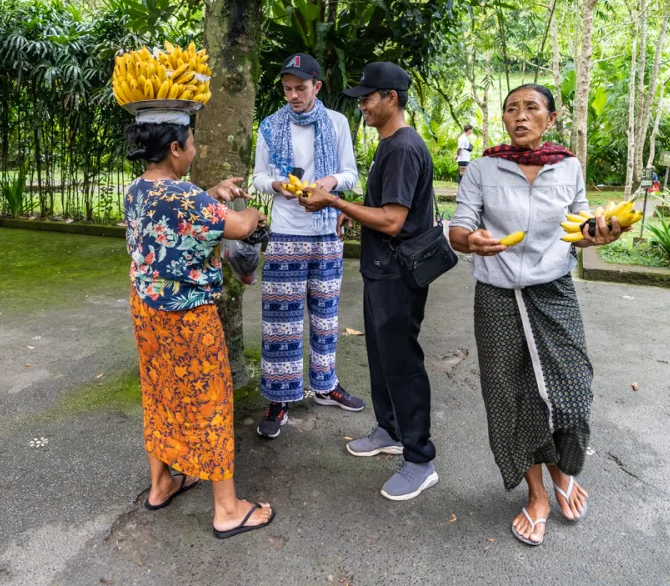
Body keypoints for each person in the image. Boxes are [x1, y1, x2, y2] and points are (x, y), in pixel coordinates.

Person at [448, 84, 627, 546]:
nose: (520, 116)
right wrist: (472, 241)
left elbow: (580, 226)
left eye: (531, 108)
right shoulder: (484, 167)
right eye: (512, 109)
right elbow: (459, 227)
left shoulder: (567, 166)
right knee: (510, 395)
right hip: (496, 295)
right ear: (504, 119)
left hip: (553, 289)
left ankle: (564, 472)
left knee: (572, 387)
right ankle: (537, 495)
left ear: (550, 118)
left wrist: (600, 233)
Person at [123, 111, 276, 539]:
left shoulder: (137, 189)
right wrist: (255, 215)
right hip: (187, 318)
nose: (194, 149)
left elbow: (173, 213)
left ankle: (161, 483)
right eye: (191, 142)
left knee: (159, 392)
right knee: (210, 400)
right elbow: (241, 225)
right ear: (175, 148)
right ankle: (227, 509)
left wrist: (211, 195)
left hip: (147, 312)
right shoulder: (190, 200)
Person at [300, 62, 440, 501]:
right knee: (381, 357)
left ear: (390, 99)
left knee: (402, 363)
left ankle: (420, 460)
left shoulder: (401, 148)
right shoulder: (389, 144)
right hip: (381, 271)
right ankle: (390, 430)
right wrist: (351, 210)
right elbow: (382, 207)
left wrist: (334, 201)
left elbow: (393, 221)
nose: (361, 104)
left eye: (368, 97)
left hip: (398, 274)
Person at [251, 54, 364, 439]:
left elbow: (351, 173)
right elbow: (258, 177)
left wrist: (329, 183)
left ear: (317, 86)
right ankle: (280, 398)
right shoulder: (270, 126)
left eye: (301, 88)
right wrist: (277, 185)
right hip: (285, 233)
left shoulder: (337, 123)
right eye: (287, 89)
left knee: (326, 317)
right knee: (280, 322)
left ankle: (325, 385)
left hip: (326, 232)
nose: (294, 95)